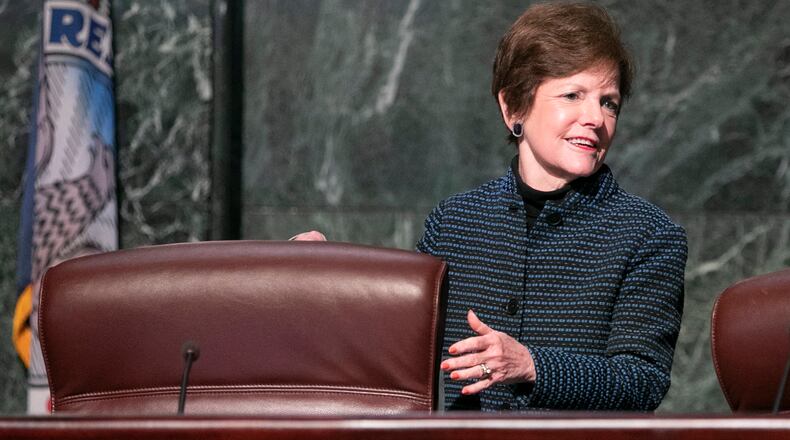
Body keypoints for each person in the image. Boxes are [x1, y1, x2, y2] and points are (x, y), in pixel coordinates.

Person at [292, 1, 687, 412]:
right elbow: (398, 342)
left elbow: (643, 380)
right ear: (513, 107)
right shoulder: (455, 222)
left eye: (609, 103)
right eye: (573, 95)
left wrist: (532, 366)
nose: (595, 118)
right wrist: (328, 280)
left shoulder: (649, 236)